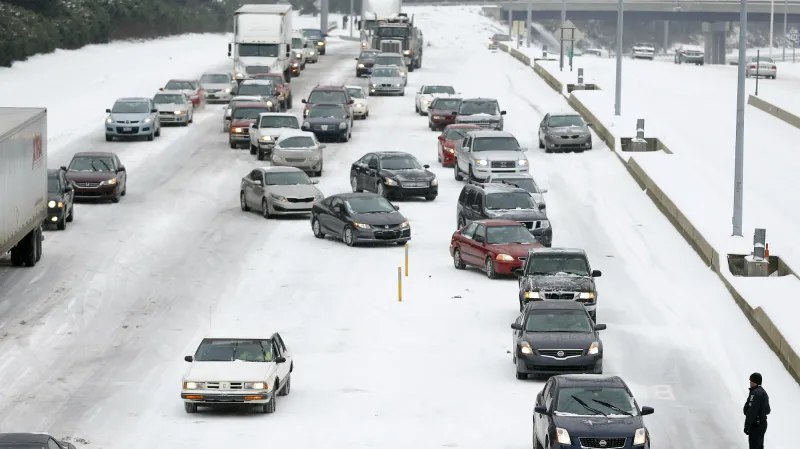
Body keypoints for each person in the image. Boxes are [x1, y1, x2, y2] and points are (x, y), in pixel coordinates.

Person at [743, 372, 770, 449]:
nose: (750, 382)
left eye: (751, 380)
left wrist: (747, 425)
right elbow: (767, 410)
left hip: (755, 426)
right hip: (762, 424)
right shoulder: (762, 392)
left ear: (755, 382)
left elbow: (751, 412)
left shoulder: (755, 394)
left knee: (754, 447)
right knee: (759, 446)